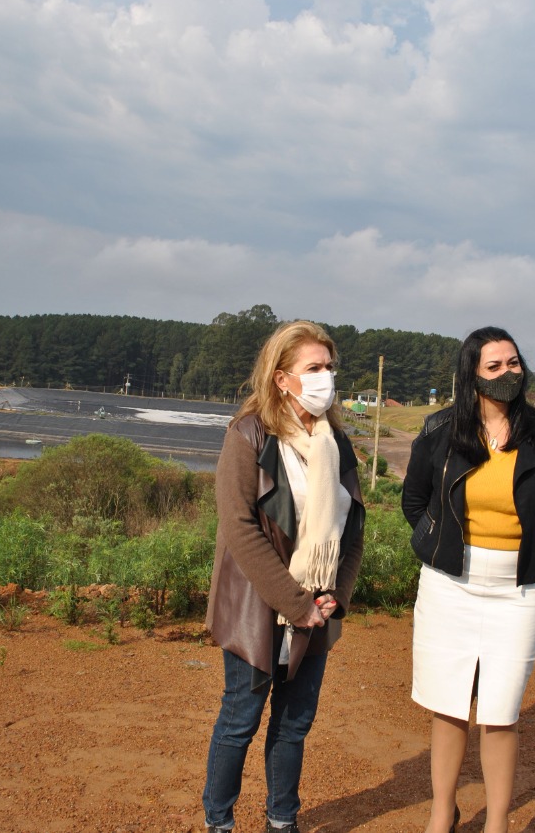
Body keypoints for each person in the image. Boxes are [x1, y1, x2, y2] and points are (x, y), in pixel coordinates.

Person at [401, 326, 535, 833]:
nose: (507, 373)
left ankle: (497, 822)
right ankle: (442, 813)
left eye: (513, 363)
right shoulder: (440, 429)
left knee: (500, 711)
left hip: (517, 591)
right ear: (472, 375)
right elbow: (415, 500)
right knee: (448, 705)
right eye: (494, 366)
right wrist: (440, 543)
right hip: (449, 586)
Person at [202, 320, 366, 833]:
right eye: (313, 368)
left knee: (294, 724)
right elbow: (239, 528)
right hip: (257, 605)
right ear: (281, 378)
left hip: (319, 607)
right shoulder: (248, 434)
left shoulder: (336, 443)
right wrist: (297, 604)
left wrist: (335, 596)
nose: (325, 378)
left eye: (329, 367)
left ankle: (282, 820)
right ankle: (219, 822)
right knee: (240, 720)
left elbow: (353, 529)